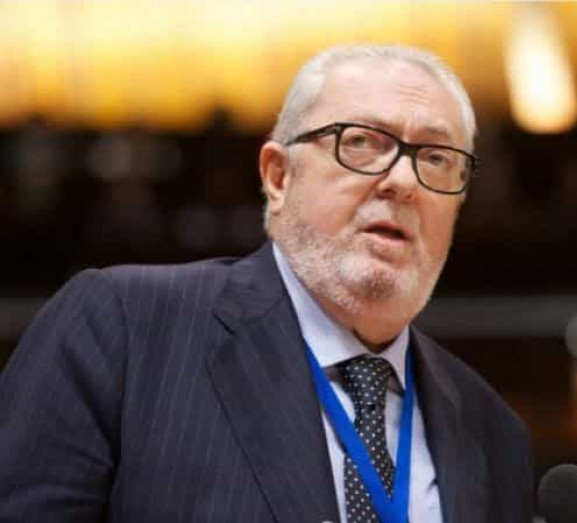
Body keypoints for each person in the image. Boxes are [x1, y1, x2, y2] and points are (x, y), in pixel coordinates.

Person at [0, 44, 533, 523]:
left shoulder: (494, 433)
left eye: (436, 159)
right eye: (361, 142)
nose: (402, 181)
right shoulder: (123, 329)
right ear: (279, 178)